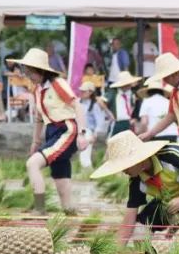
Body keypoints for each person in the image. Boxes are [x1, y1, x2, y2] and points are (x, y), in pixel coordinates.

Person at [91, 132, 179, 246]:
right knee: (140, 229)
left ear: (138, 159)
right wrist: (115, 253)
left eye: (125, 166)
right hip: (172, 197)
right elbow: (129, 219)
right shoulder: (136, 180)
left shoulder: (171, 155)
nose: (123, 171)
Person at [8, 47, 89, 215]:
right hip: (51, 132)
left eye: (31, 72)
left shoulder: (57, 84)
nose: (28, 76)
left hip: (67, 130)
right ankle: (70, 212)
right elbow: (39, 118)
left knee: (32, 164)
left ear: (41, 70)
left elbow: (77, 106)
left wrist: (82, 134)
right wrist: (35, 142)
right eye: (26, 71)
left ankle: (39, 209)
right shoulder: (37, 89)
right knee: (61, 180)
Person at [79, 82, 113, 170]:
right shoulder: (79, 102)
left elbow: (99, 121)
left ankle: (88, 170)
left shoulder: (94, 105)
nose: (82, 93)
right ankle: (87, 170)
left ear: (90, 92)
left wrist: (95, 134)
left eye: (84, 91)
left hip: (88, 131)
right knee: (84, 152)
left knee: (85, 151)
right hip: (78, 129)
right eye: (81, 91)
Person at [109, 71, 143, 136]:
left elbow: (136, 108)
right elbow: (101, 101)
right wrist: (109, 113)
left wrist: (135, 119)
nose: (128, 86)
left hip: (128, 121)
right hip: (118, 122)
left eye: (129, 84)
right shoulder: (114, 93)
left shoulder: (133, 94)